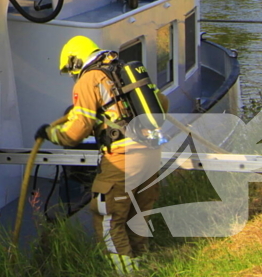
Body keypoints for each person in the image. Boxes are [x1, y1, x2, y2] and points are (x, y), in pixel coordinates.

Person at [35, 36, 168, 275]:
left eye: (70, 69)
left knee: (107, 217)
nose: (72, 75)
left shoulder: (89, 79)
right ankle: (145, 265)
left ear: (76, 60)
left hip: (122, 158)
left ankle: (126, 273)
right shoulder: (124, 70)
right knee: (136, 215)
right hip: (151, 151)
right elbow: (163, 104)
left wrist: (50, 133)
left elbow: (77, 131)